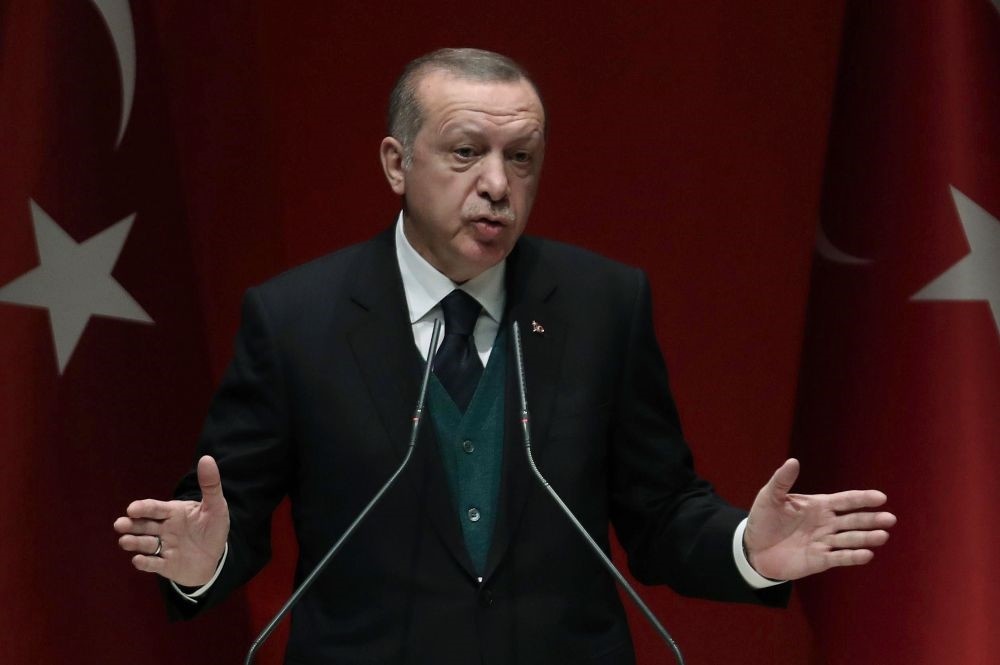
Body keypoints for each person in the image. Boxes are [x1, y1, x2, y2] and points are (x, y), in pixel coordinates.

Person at [114, 48, 895, 664]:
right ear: (396, 163)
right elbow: (227, 520)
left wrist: (747, 549)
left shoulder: (601, 305)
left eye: (521, 158)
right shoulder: (296, 320)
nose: (497, 184)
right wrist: (199, 560)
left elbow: (657, 512)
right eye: (465, 152)